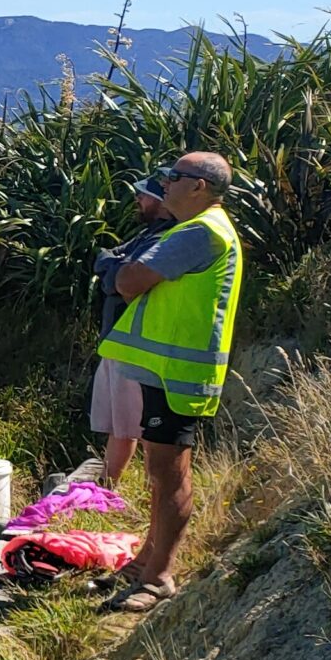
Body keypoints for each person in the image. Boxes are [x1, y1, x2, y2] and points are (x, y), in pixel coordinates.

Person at [98, 152, 243, 614]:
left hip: (180, 373)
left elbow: (129, 281)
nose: (164, 183)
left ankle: (159, 576)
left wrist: (121, 271)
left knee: (169, 471)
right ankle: (146, 560)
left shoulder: (200, 232)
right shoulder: (196, 228)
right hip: (167, 368)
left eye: (173, 176)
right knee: (159, 472)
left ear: (199, 186)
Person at [89, 173, 173, 486]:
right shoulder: (147, 234)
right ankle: (108, 486)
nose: (138, 199)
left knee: (138, 424)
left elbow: (121, 281)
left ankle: (145, 490)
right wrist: (115, 269)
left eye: (144, 194)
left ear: (162, 201)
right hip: (119, 341)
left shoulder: (166, 239)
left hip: (138, 346)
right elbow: (105, 258)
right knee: (120, 424)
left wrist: (115, 272)